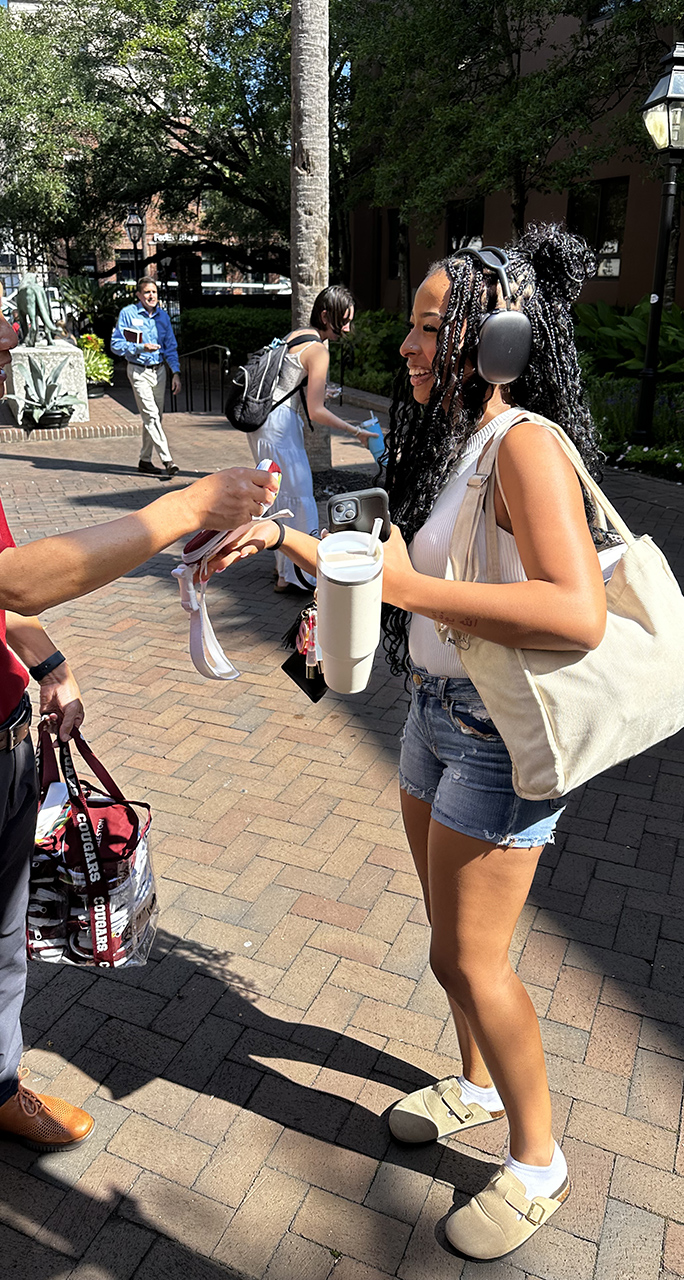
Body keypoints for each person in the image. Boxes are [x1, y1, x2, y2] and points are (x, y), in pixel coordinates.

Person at [0, 208, 278, 1280]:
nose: (15, 331)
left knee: (1, 950)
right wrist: (187, 498)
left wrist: (47, 667)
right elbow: (19, 575)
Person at [204, 225, 611, 1261]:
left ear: (499, 341)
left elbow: (575, 612)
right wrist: (290, 539)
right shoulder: (455, 439)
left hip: (494, 738)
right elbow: (387, 564)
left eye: (430, 327)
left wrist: (408, 587)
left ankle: (537, 1159)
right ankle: (474, 1085)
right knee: (445, 941)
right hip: (437, 715)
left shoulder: (522, 443)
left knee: (473, 958)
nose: (406, 346)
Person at [245, 285, 377, 593]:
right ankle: (300, 575)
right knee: (299, 496)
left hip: (264, 421)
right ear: (325, 315)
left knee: (280, 495)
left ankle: (284, 571)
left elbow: (290, 383)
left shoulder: (298, 336)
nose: (347, 328)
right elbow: (316, 411)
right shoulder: (319, 350)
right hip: (280, 426)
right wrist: (355, 431)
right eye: (343, 321)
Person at [111, 276, 182, 478]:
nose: (152, 296)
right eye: (147, 292)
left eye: (154, 292)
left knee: (154, 418)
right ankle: (168, 460)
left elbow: (171, 347)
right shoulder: (128, 314)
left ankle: (145, 460)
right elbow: (116, 345)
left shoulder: (163, 317)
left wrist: (175, 373)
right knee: (150, 415)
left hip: (159, 372)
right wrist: (140, 347)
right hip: (138, 370)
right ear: (139, 295)